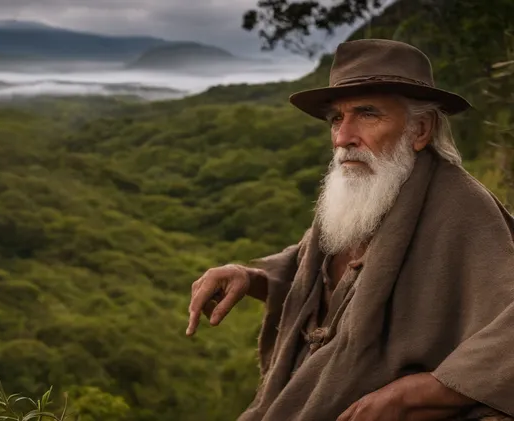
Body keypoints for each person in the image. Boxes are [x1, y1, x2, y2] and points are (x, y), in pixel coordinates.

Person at [186, 39, 514, 421]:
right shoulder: (368, 191)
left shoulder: (461, 206)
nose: (343, 138)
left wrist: (424, 391)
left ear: (420, 129)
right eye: (337, 119)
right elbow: (319, 276)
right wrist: (251, 277)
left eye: (367, 114)